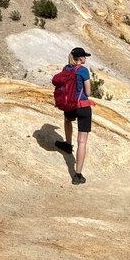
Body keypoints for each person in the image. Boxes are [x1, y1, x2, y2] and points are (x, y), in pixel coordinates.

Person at [55, 47, 93, 185]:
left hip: (70, 105)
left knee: (67, 120)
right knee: (82, 141)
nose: (85, 58)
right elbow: (88, 92)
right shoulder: (83, 70)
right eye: (84, 56)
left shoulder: (66, 68)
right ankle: (77, 175)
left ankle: (67, 144)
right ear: (81, 58)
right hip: (82, 106)